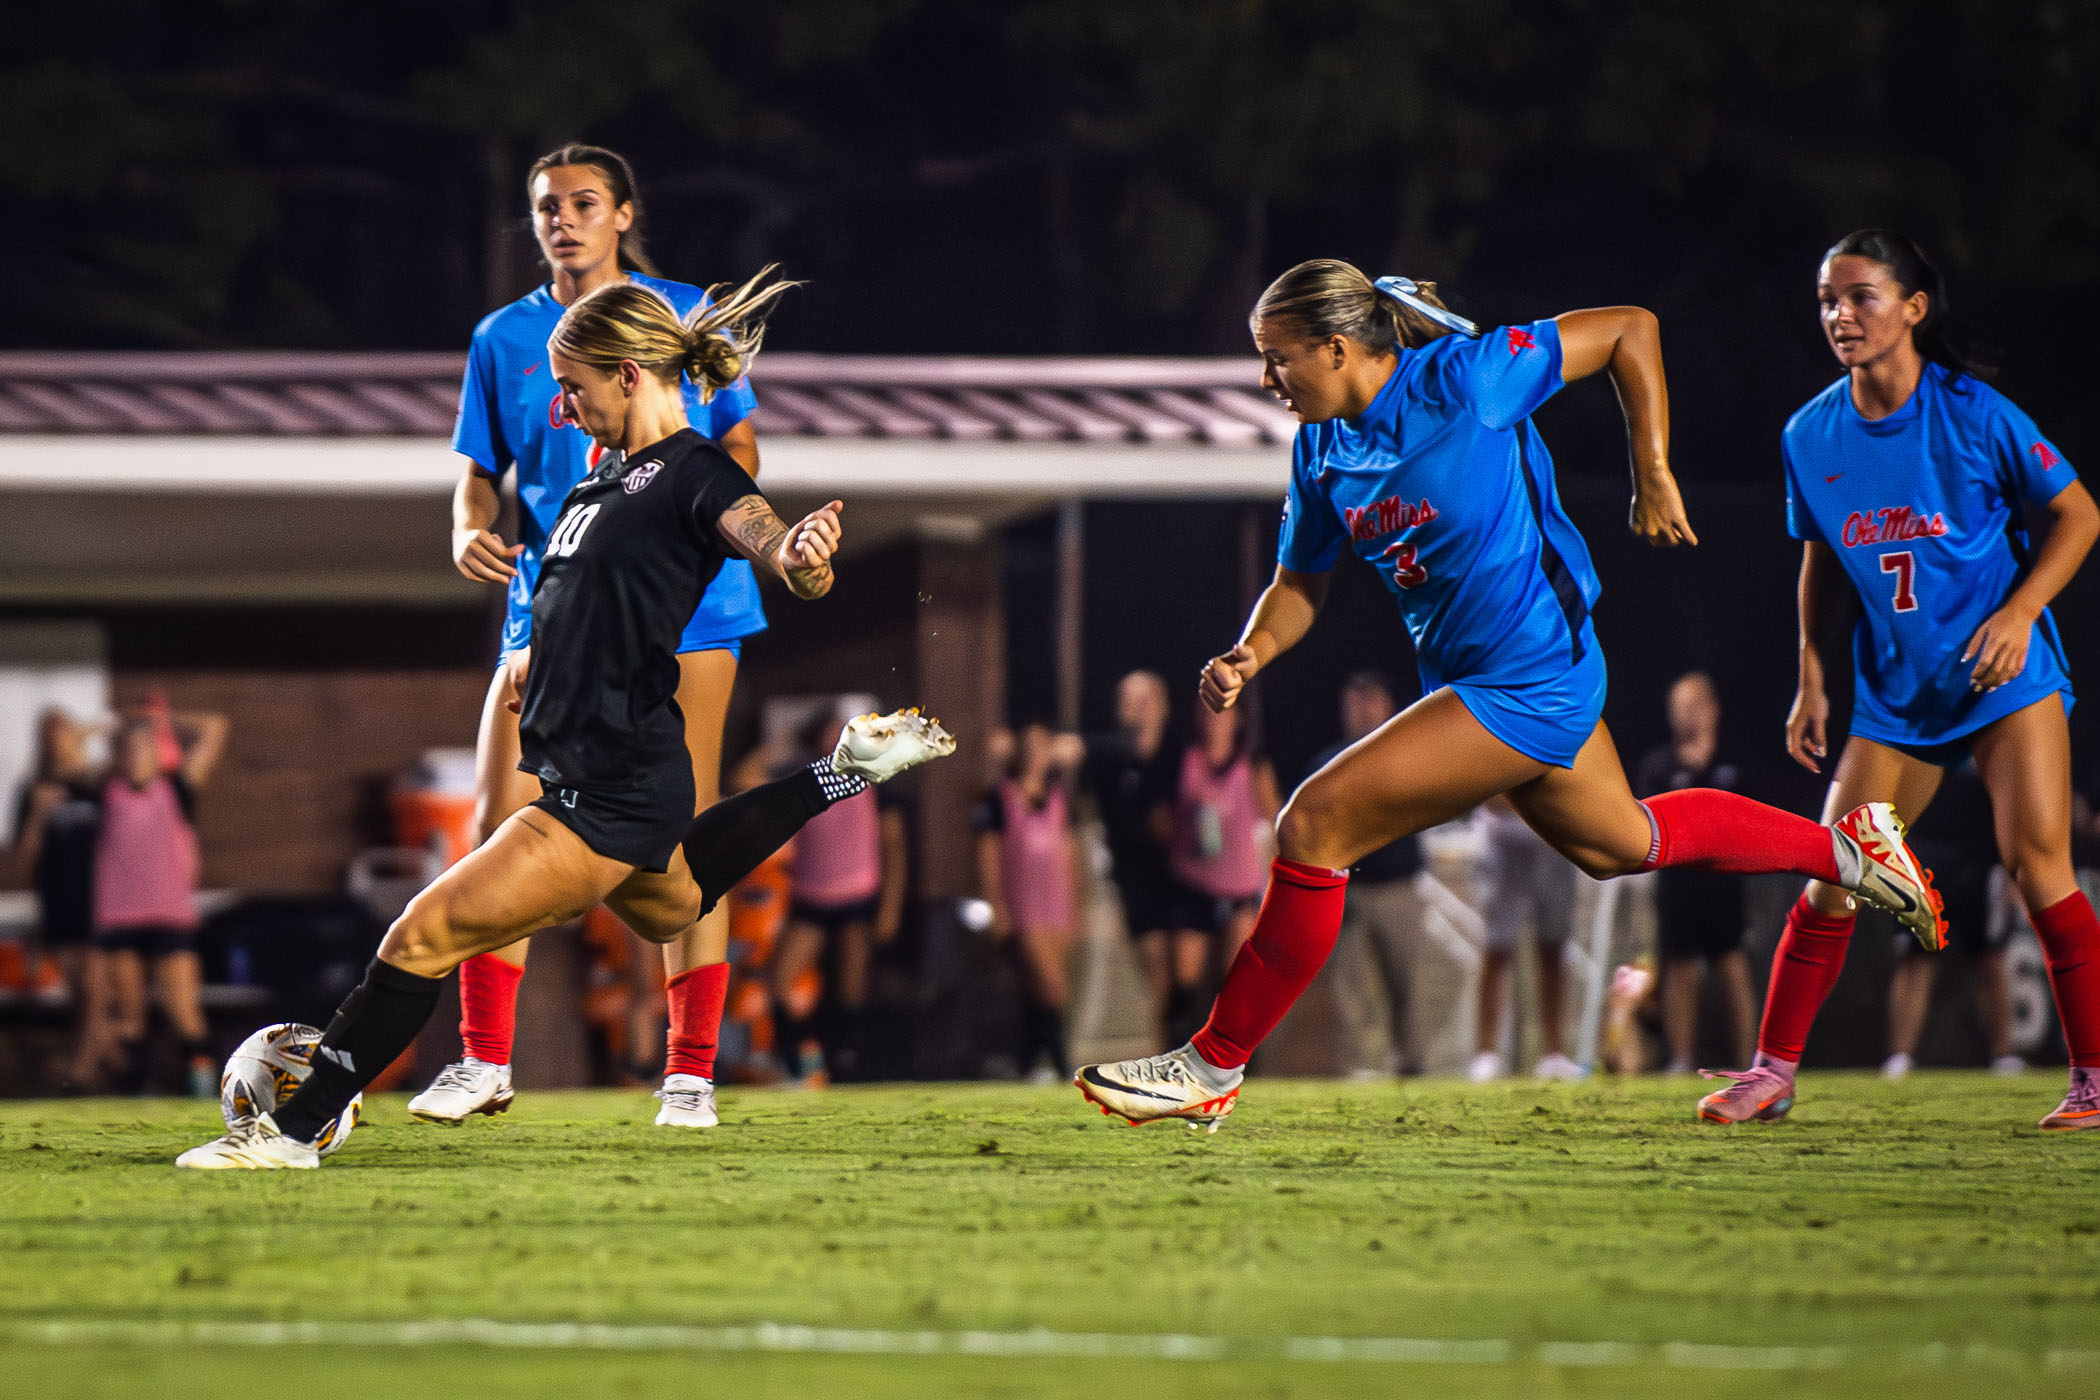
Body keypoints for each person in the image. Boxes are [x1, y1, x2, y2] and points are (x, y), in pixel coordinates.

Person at [1072, 258, 1942, 1132]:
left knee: (1313, 823)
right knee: (1621, 841)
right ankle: (1852, 854)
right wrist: (1249, 652)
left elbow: (1630, 326)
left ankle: (1211, 1065)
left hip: (1532, 674)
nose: (1266, 381)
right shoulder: (1323, 450)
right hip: (1471, 681)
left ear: (1337, 348)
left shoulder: (1465, 378)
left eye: (1277, 359)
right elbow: (1300, 586)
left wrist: (1652, 468)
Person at [176, 275, 953, 1169]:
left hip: (612, 787)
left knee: (422, 934)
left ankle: (291, 1130)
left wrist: (799, 555)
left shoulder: (697, 474)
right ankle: (844, 769)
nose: (562, 404)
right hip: (607, 770)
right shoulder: (599, 482)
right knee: (678, 901)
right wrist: (538, 680)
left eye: (573, 385)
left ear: (627, 374)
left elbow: (767, 541)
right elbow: (572, 605)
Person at [1700, 231, 2100, 1129]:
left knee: (2038, 867)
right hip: (1898, 692)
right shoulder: (1810, 432)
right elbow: (1823, 558)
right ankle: (1772, 1074)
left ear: (1914, 307)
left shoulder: (1977, 413)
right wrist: (1810, 671)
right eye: (1827, 300)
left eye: (1861, 296)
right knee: (1835, 871)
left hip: (2004, 676)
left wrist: (2021, 610)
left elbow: (2079, 515)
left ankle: (2095, 1077)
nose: (1841, 314)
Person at [412, 143, 767, 1131]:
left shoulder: (679, 310)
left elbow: (736, 442)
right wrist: (463, 526)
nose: (560, 219)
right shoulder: (501, 336)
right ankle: (485, 1060)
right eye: (543, 205)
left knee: (680, 837)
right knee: (499, 812)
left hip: (684, 606)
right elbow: (480, 469)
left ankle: (690, 1073)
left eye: (581, 202)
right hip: (549, 599)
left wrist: (738, 520)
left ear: (622, 213)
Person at [767, 705, 909, 1083]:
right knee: (778, 982)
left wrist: (890, 909)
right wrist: (780, 743)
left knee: (851, 986)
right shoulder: (801, 778)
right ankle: (795, 1053)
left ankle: (847, 1063)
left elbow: (893, 847)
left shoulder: (875, 780)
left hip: (858, 896)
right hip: (811, 897)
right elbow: (745, 778)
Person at [1303, 672, 1434, 1076]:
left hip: (1398, 884)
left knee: (1408, 984)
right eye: (1353, 700)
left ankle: (1412, 1063)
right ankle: (1364, 1067)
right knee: (1352, 988)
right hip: (1348, 890)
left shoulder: (1410, 755)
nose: (1361, 708)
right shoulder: (1327, 763)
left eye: (1370, 699)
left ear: (1388, 706)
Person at [94, 704, 229, 1095]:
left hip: (169, 918)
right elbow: (65, 758)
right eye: (128, 749)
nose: (136, 756)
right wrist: (106, 727)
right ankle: (135, 1093)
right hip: (119, 918)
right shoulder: (107, 790)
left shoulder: (176, 788)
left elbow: (215, 725)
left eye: (144, 748)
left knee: (183, 1010)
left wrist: (165, 720)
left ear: (157, 752)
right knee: (130, 1017)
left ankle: (205, 1087)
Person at [1634, 672, 1754, 1073]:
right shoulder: (1658, 765)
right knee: (1680, 967)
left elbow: (1748, 821)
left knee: (1732, 965)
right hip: (1679, 883)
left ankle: (1751, 1061)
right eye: (1678, 708)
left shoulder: (1733, 761)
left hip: (1725, 884)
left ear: (1713, 709)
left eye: (1692, 706)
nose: (1685, 716)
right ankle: (1681, 1058)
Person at [1057, 671, 1181, 1044]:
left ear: (1162, 706)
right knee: (1157, 968)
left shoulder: (1179, 755)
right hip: (1137, 880)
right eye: (1127, 701)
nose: (1135, 710)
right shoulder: (1110, 755)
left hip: (1189, 877)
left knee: (1194, 972)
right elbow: (1062, 748)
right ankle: (1166, 1053)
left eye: (1144, 701)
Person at [1881, 760, 2022, 1077]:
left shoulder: (1991, 725)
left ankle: (2004, 1055)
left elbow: (2010, 791)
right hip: (1924, 852)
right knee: (1915, 956)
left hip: (1983, 857)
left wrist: (2014, 867)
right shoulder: (1920, 725)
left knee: (1991, 957)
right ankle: (1900, 1057)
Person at [1163, 697, 1281, 1044]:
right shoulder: (1185, 760)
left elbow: (1273, 818)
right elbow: (1165, 816)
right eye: (1210, 713)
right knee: (1183, 988)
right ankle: (1179, 1062)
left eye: (1224, 714)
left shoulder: (1253, 765)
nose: (1216, 721)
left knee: (1233, 986)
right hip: (1191, 885)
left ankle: (1236, 1066)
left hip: (1239, 888)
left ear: (1238, 719)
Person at [976, 722, 1082, 1080]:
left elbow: (1069, 855)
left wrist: (1075, 906)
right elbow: (988, 858)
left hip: (1056, 905)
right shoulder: (1000, 797)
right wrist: (997, 907)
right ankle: (1063, 1064)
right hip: (1023, 906)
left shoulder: (1058, 797)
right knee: (1050, 985)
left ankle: (1030, 1065)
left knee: (1044, 993)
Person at [5, 709, 106, 1080]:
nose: (56, 739)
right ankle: (110, 1064)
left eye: (63, 730)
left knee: (94, 988)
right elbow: (22, 857)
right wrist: (39, 813)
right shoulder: (33, 788)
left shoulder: (96, 783)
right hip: (59, 900)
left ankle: (83, 1070)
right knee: (76, 990)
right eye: (49, 732)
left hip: (101, 898)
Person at [1467, 796, 1582, 1081]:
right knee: (1496, 947)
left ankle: (1553, 1055)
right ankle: (1486, 1054)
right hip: (1504, 834)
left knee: (1553, 946)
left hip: (1554, 835)